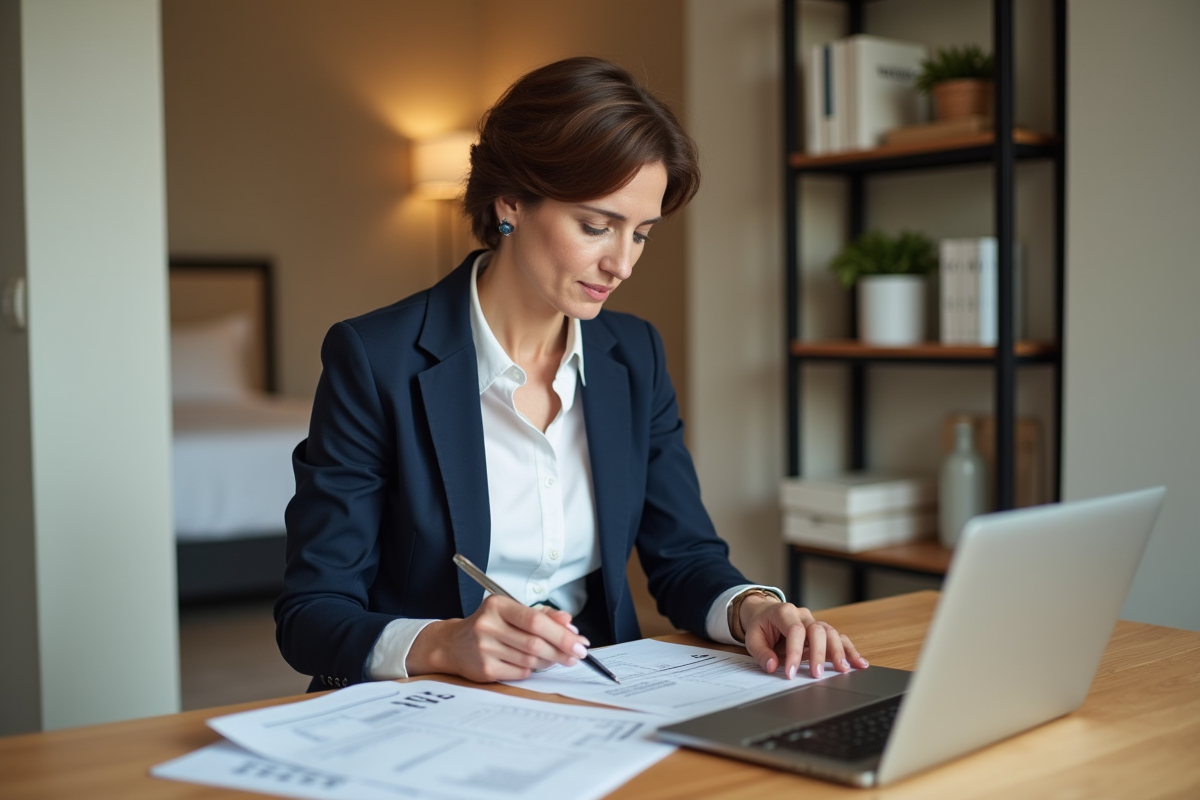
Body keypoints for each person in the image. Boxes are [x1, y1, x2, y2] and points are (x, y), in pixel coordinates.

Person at [275, 56, 868, 692]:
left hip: (593, 696)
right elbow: (311, 613)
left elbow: (685, 556)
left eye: (641, 234)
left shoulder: (633, 353)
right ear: (511, 202)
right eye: (595, 226)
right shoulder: (375, 357)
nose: (622, 264)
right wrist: (444, 642)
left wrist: (753, 608)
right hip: (425, 705)